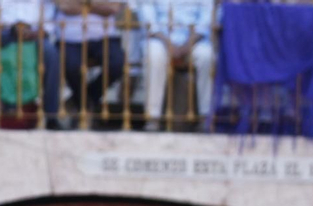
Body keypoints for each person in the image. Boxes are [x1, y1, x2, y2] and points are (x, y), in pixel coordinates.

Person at [139, 0, 214, 129]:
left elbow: (206, 19)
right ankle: (153, 117)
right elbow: (149, 20)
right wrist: (169, 45)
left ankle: (205, 117)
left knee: (206, 56)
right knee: (154, 54)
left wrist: (186, 46)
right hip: (161, 39)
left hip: (193, 41)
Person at [56, 0, 126, 121]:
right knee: (70, 66)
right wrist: (96, 5)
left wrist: (82, 4)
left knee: (117, 63)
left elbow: (113, 8)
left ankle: (81, 102)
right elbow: (65, 6)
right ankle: (85, 105)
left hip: (104, 36)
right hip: (69, 37)